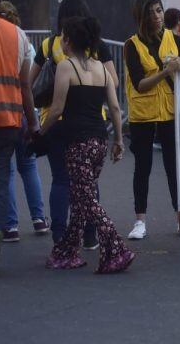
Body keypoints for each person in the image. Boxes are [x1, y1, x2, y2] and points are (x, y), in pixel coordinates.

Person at [41, 16, 133, 273]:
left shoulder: (66, 67)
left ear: (68, 41)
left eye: (64, 38)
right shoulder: (102, 69)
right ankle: (67, 251)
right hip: (99, 142)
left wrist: (40, 131)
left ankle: (116, 248)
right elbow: (115, 107)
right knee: (80, 199)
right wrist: (117, 140)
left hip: (77, 142)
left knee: (86, 199)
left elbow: (57, 107)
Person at [30, 0, 119, 248]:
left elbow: (29, 81)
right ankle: (90, 235)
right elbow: (114, 82)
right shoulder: (96, 47)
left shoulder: (49, 45)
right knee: (89, 182)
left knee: (60, 179)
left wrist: (37, 127)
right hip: (92, 121)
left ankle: (60, 236)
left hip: (56, 122)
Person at [125, 0, 180, 240]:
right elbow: (139, 84)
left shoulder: (175, 40)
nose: (157, 16)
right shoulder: (131, 45)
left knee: (173, 167)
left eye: (159, 10)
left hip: (169, 110)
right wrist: (166, 70)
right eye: (151, 12)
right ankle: (139, 221)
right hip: (143, 114)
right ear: (141, 17)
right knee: (142, 167)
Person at [0, 0, 40, 267]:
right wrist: (33, 122)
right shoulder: (18, 35)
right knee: (1, 180)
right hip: (9, 121)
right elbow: (26, 84)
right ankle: (2, 236)